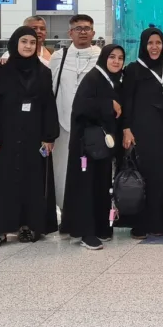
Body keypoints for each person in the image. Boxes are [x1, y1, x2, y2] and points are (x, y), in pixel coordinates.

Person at [0, 27, 59, 246]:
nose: (28, 46)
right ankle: (0, 229)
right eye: (24, 41)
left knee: (32, 182)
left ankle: (28, 226)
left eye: (32, 42)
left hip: (34, 135)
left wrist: (49, 136)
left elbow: (48, 105)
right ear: (15, 44)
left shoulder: (44, 72)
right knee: (4, 183)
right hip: (7, 135)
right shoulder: (0, 72)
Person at [60, 45, 125, 250]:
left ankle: (100, 227)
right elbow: (81, 107)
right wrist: (109, 105)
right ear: (104, 58)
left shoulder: (113, 80)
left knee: (101, 185)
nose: (116, 61)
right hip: (85, 146)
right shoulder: (93, 78)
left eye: (120, 58)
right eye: (112, 57)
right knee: (85, 187)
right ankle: (85, 232)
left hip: (102, 145)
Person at [121, 27, 163, 238]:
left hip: (162, 133)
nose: (154, 47)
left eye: (158, 43)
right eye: (150, 43)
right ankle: (139, 223)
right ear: (143, 45)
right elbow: (126, 101)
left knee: (158, 178)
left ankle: (156, 221)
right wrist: (126, 128)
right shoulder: (133, 70)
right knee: (140, 177)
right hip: (139, 132)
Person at [49, 14, 101, 211]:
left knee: (90, 172)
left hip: (91, 126)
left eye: (87, 28)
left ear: (93, 32)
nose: (83, 32)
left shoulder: (101, 56)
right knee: (62, 171)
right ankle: (65, 212)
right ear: (70, 33)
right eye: (78, 29)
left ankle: (90, 213)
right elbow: (50, 88)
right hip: (63, 125)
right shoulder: (58, 57)